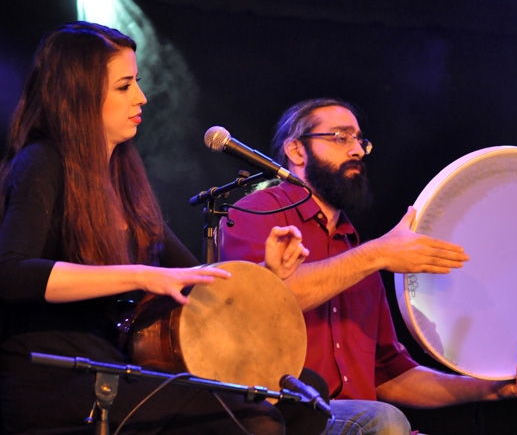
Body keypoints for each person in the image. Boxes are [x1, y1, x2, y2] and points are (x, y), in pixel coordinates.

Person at [0, 22, 314, 435]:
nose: (141, 97)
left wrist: (266, 272)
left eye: (138, 83)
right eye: (124, 86)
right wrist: (138, 274)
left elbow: (194, 283)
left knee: (306, 397)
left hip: (113, 367)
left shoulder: (124, 180)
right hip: (53, 376)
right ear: (77, 93)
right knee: (253, 418)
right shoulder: (42, 161)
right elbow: (10, 272)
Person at [218, 97, 517, 434]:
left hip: (359, 421)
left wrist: (492, 389)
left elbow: (391, 376)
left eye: (359, 141)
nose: (356, 151)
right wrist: (377, 255)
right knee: (387, 422)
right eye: (340, 137)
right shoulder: (257, 212)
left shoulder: (356, 250)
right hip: (283, 417)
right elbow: (263, 302)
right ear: (296, 152)